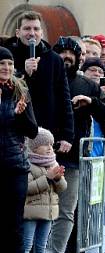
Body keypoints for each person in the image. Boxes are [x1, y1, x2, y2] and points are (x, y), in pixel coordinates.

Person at [46, 40, 105, 253]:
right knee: (38, 210)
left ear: (78, 58)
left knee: (65, 211)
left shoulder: (86, 84)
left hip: (74, 157)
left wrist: (91, 102)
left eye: (70, 53)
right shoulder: (41, 79)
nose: (66, 57)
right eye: (61, 52)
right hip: (39, 156)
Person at [1, 11, 74, 157]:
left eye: (36, 29)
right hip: (14, 135)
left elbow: (64, 98)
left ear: (41, 32)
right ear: (18, 32)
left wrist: (67, 134)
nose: (32, 33)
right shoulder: (6, 56)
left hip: (46, 134)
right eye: (27, 29)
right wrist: (23, 73)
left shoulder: (54, 60)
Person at [0, 45, 40, 253]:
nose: (5, 68)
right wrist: (9, 114)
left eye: (9, 64)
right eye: (1, 64)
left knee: (13, 226)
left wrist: (22, 114)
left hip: (14, 165)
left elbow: (33, 130)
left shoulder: (19, 91)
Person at [23, 128, 65, 253]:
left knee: (42, 245)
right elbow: (26, 188)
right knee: (26, 245)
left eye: (51, 144)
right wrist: (47, 178)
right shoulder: (27, 163)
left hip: (48, 212)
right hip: (30, 212)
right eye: (44, 144)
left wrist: (57, 178)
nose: (49, 147)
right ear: (33, 147)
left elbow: (62, 187)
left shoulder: (52, 162)